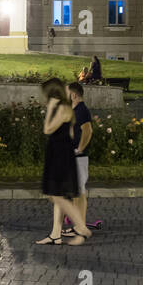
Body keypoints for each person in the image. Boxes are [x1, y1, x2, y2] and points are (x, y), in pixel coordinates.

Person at [35, 77, 90, 246]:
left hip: (61, 155)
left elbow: (47, 129)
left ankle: (81, 228)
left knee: (60, 196)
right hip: (59, 153)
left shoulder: (63, 108)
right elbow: (71, 132)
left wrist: (50, 108)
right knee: (58, 195)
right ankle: (56, 234)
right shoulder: (66, 108)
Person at [61, 82, 94, 237]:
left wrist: (79, 149)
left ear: (74, 95)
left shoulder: (81, 110)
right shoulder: (75, 110)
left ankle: (81, 228)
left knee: (79, 193)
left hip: (78, 157)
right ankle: (78, 226)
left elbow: (87, 131)